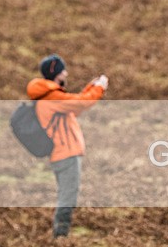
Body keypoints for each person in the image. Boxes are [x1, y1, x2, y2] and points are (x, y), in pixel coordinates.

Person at [26, 54, 108, 237]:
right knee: (68, 196)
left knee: (67, 194)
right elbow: (82, 102)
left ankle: (60, 236)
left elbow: (76, 106)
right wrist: (99, 87)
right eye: (63, 70)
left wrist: (91, 87)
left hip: (62, 153)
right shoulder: (52, 97)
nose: (66, 73)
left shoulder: (49, 96)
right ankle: (60, 237)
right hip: (65, 154)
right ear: (56, 73)